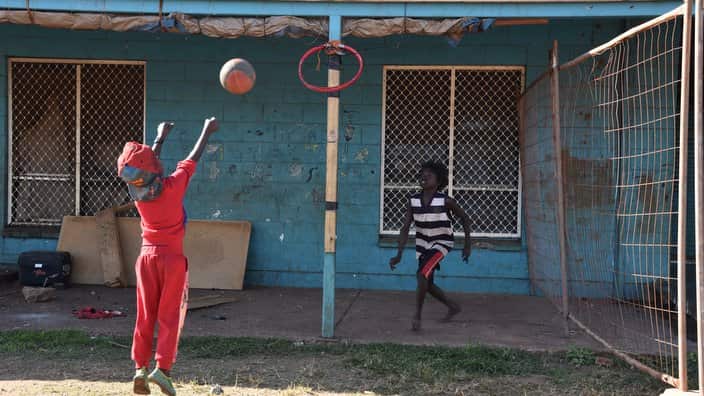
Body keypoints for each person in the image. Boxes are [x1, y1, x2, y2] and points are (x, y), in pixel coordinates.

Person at [117, 117, 219, 395]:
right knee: (170, 316)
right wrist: (206, 131)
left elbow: (146, 167)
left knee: (145, 314)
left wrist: (159, 138)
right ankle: (162, 370)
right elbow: (191, 159)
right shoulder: (173, 188)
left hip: (146, 260)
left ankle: (139, 367)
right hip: (172, 261)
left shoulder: (137, 193)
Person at [389, 160, 472, 331]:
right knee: (427, 283)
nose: (424, 175)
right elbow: (405, 228)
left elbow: (465, 218)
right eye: (422, 173)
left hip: (442, 243)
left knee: (421, 274)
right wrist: (399, 254)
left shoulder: (445, 201)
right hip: (423, 245)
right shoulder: (413, 201)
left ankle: (417, 316)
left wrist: (467, 244)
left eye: (430, 174)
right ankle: (452, 306)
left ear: (439, 179)